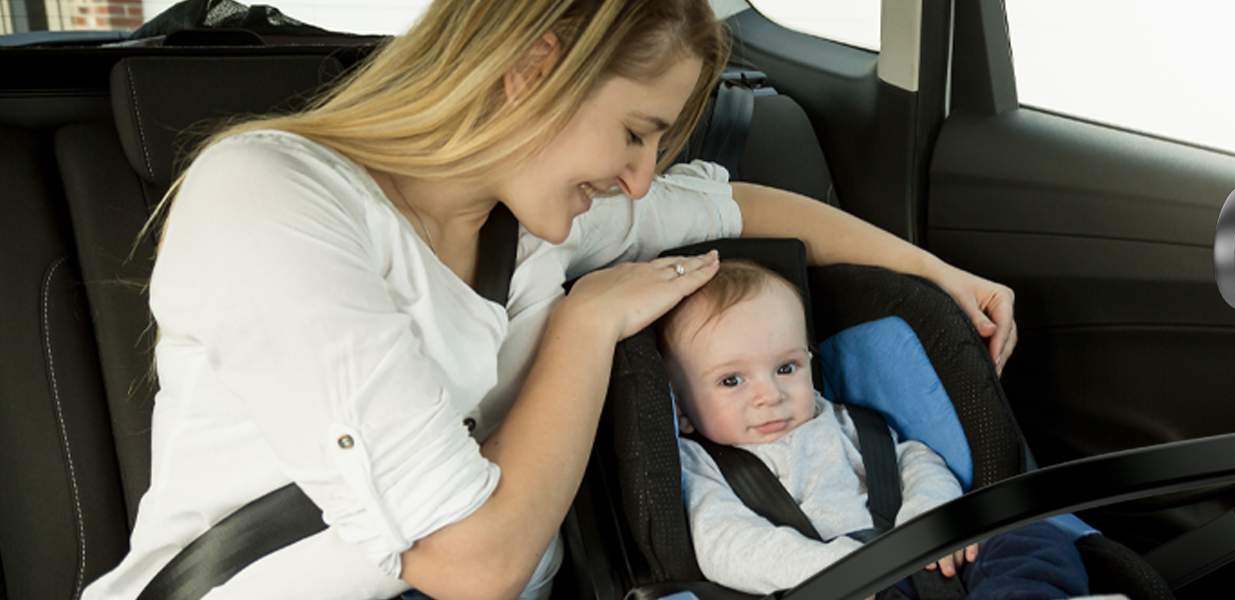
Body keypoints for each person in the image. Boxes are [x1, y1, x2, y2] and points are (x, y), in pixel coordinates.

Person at [82, 1, 1017, 599]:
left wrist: (941, 275)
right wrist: (585, 322)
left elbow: (736, 206)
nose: (642, 180)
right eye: (635, 133)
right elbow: (471, 564)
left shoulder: (535, 220)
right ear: (536, 68)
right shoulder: (270, 199)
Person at [659, 259, 1096, 600]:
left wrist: (928, 517)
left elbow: (916, 460)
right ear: (680, 407)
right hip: (825, 583)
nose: (769, 395)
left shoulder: (843, 420)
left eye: (786, 368)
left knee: (1029, 537)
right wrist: (835, 570)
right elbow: (724, 543)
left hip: (923, 556)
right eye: (731, 380)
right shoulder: (698, 464)